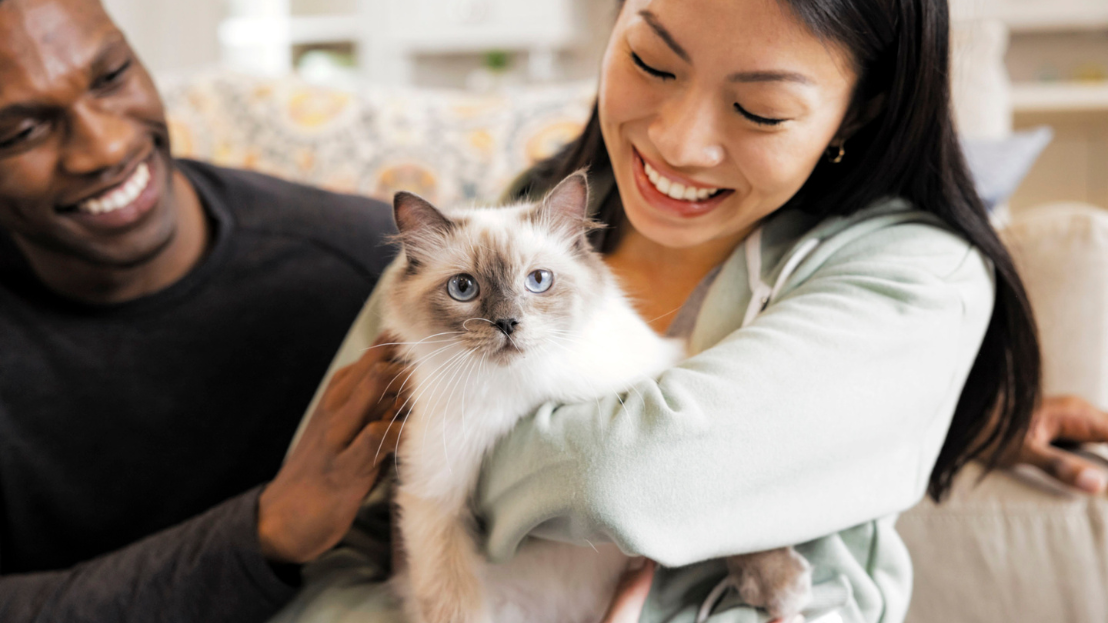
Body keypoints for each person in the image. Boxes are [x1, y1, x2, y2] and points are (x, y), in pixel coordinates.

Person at [272, 0, 1046, 622]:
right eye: (651, 62)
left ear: (856, 114)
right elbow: (336, 526)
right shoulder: (503, 225)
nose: (678, 142)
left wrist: (451, 446)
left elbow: (623, 475)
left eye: (760, 108)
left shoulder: (919, 270)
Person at [0, 0, 404, 620]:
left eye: (111, 77)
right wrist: (264, 533)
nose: (105, 146)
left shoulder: (370, 276)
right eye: (20, 133)